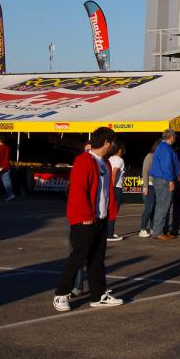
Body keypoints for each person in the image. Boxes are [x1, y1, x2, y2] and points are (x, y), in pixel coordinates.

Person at [52, 127, 124, 311]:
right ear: (107, 143)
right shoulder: (84, 160)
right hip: (84, 219)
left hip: (100, 219)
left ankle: (98, 295)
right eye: (113, 142)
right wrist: (85, 216)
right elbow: (78, 191)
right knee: (78, 257)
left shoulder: (105, 163)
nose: (114, 145)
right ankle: (61, 294)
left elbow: (105, 192)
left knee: (97, 258)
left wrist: (109, 214)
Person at [149, 130, 180, 241]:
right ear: (171, 137)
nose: (175, 138)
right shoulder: (166, 149)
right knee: (163, 206)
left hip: (159, 179)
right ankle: (158, 232)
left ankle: (159, 230)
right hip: (164, 180)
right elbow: (167, 166)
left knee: (160, 205)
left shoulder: (160, 147)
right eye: (175, 136)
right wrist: (171, 180)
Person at [107, 139, 126, 242]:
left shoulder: (110, 158)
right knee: (113, 211)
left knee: (109, 211)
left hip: (110, 187)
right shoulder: (119, 160)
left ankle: (109, 232)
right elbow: (114, 173)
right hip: (116, 188)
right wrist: (112, 187)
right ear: (119, 150)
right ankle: (109, 234)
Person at [138, 140, 158, 237]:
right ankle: (142, 229)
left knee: (154, 208)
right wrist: (145, 186)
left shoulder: (160, 157)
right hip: (149, 184)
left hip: (156, 185)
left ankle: (153, 228)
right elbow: (145, 171)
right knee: (149, 208)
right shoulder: (150, 156)